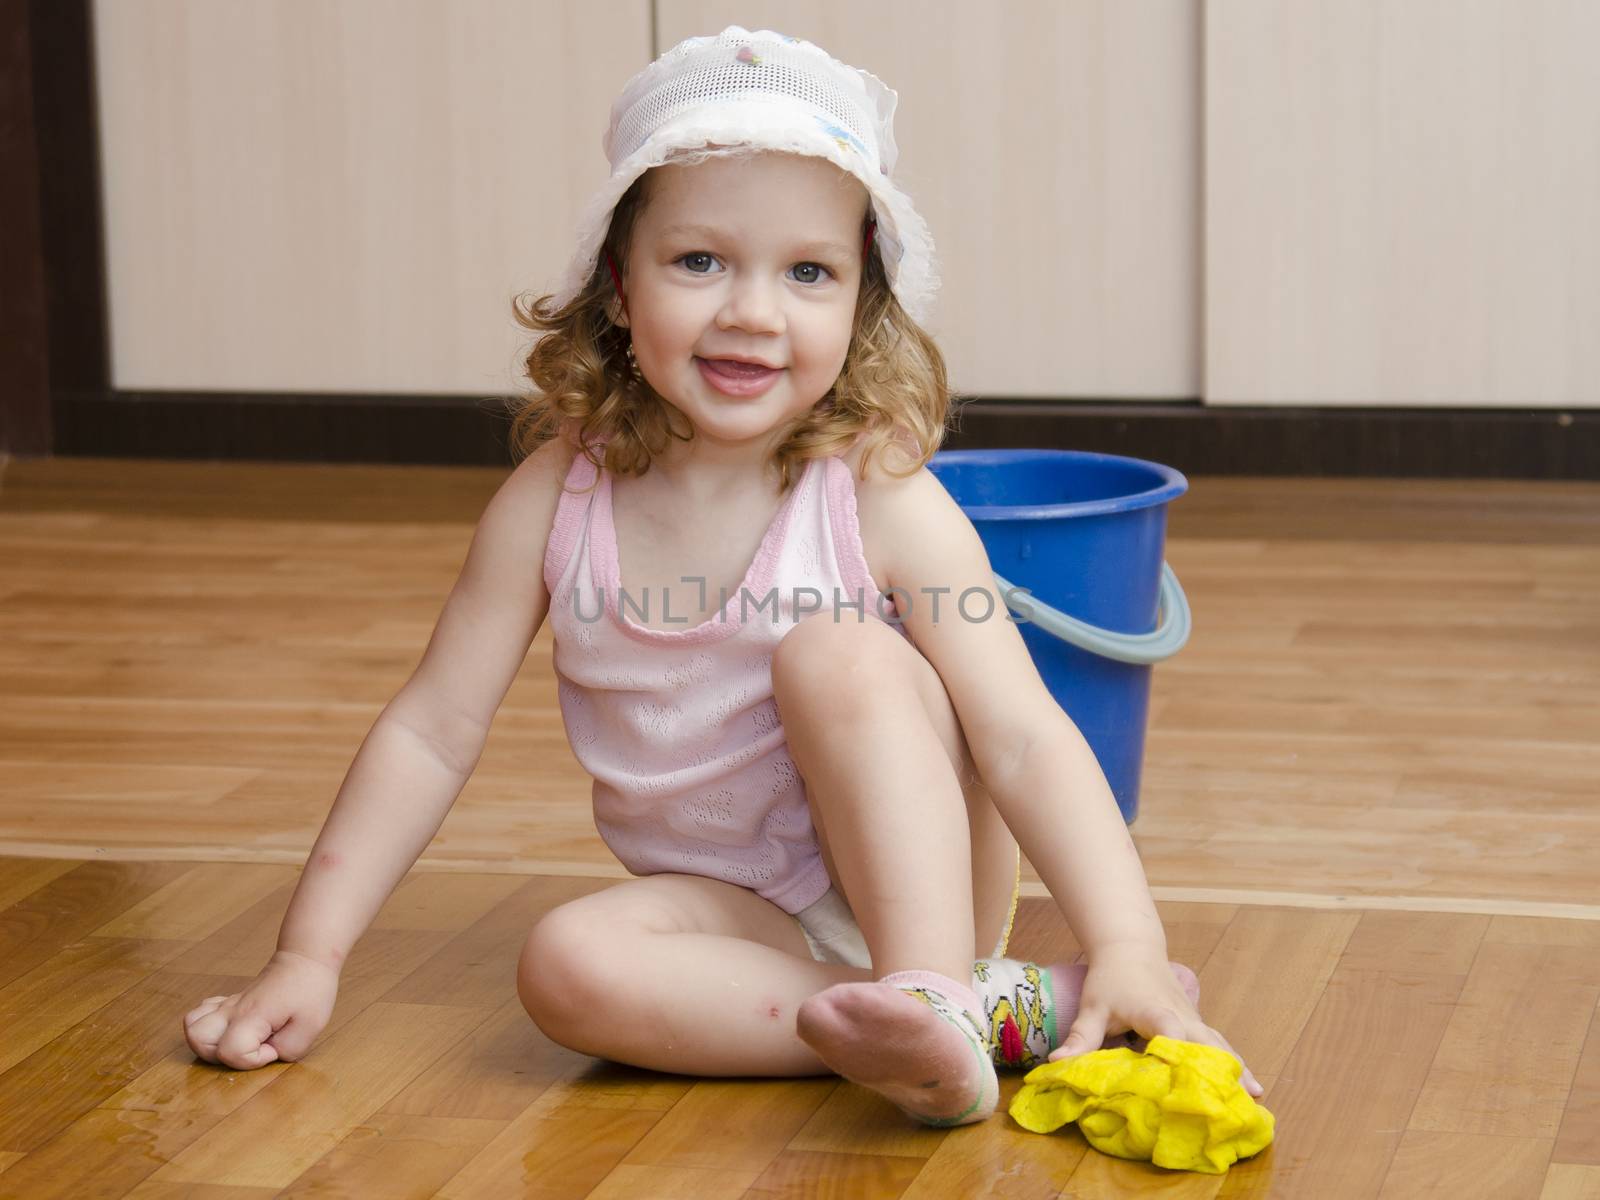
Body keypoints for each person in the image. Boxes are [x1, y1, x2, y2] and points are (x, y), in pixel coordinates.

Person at [182, 25, 1260, 1128]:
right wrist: (306, 956)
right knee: (565, 965)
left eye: (808, 272)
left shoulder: (877, 495)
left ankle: (935, 986)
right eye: (700, 261)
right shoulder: (556, 502)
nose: (752, 310)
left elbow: (1021, 733)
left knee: (838, 651)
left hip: (919, 888)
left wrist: (1128, 942)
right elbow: (431, 729)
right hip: (744, 917)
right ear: (616, 283)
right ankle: (970, 1021)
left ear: (861, 301)